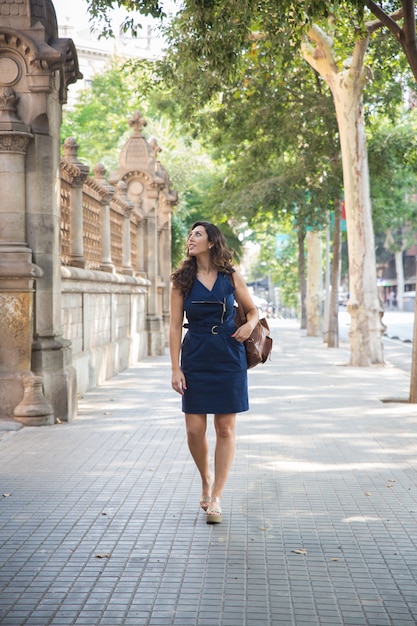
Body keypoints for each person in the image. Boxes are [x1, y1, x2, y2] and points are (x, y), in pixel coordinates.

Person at [169, 221, 259, 524]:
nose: (191, 239)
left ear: (211, 242)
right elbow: (172, 326)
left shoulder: (230, 276)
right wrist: (175, 367)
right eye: (190, 235)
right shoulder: (181, 279)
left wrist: (248, 325)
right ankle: (205, 480)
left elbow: (252, 310)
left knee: (225, 429)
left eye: (197, 234)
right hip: (195, 355)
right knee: (195, 430)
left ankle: (217, 495)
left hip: (227, 354)